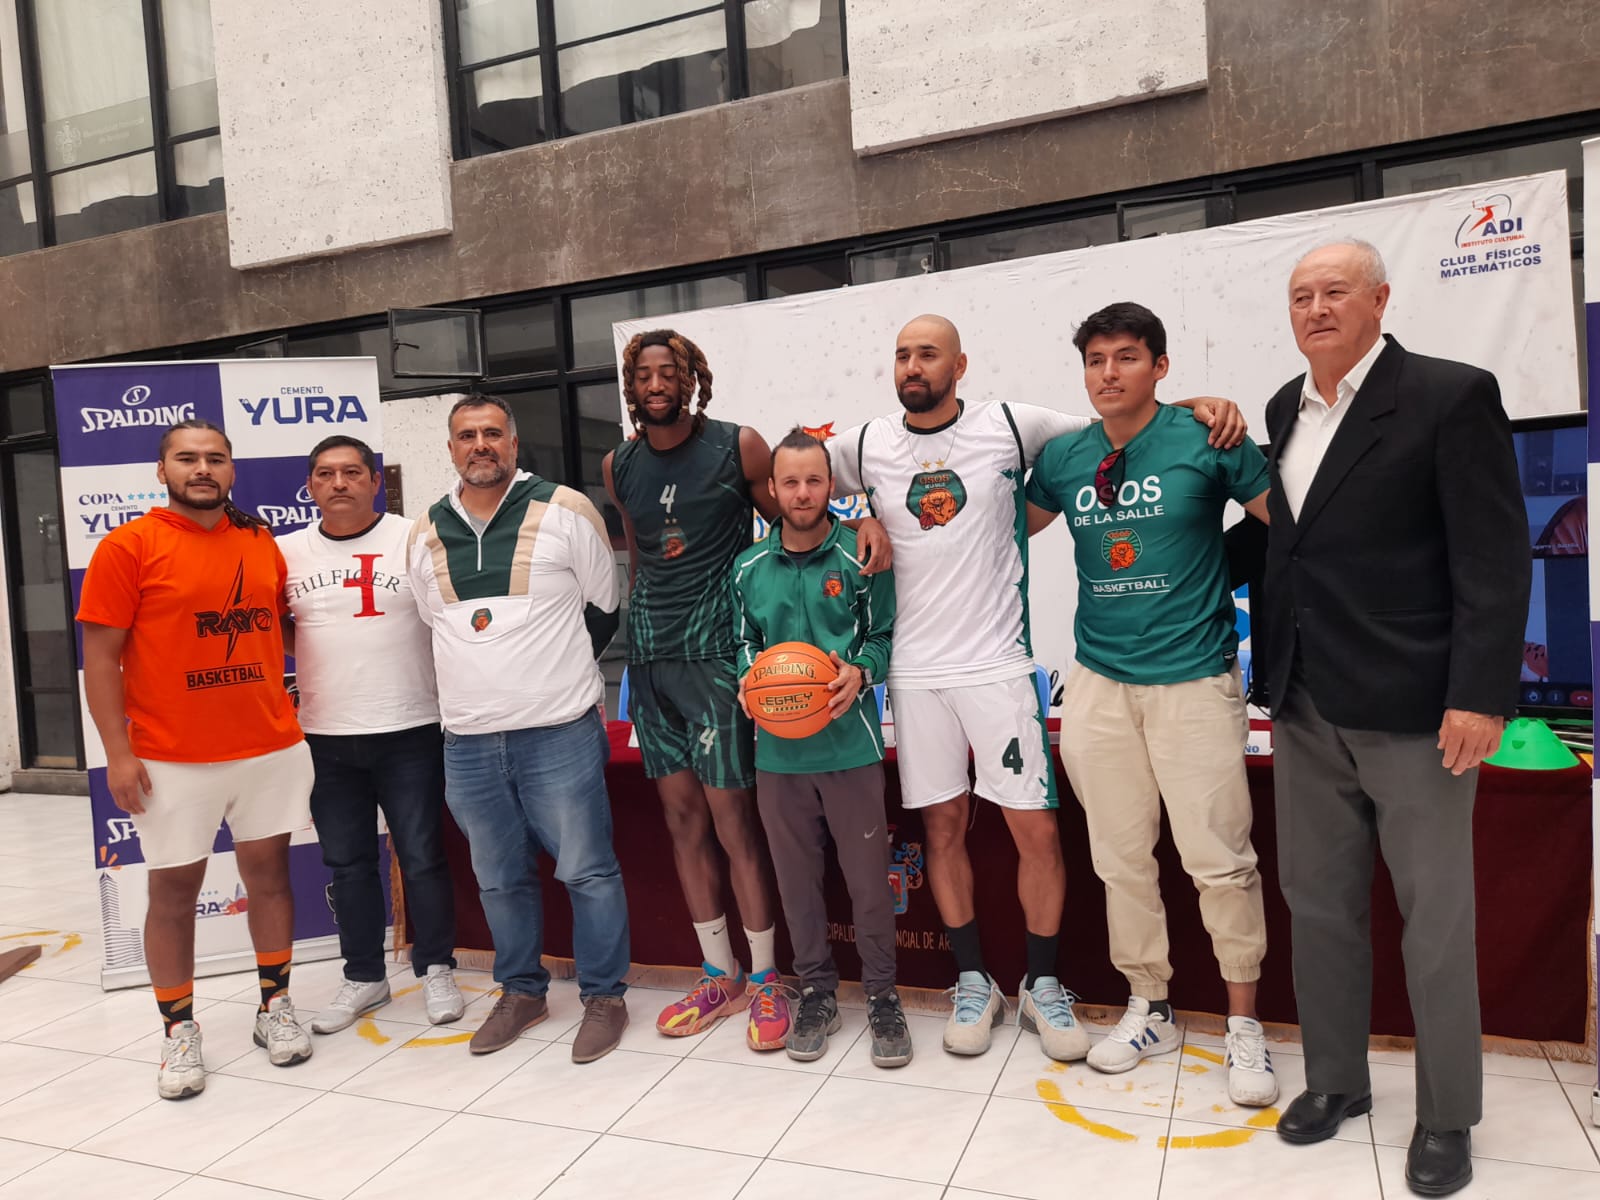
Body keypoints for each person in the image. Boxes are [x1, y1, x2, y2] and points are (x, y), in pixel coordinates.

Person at [831, 314, 1246, 1059]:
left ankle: (1042, 986)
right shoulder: (863, 446)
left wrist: (1201, 405)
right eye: (901, 354)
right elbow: (787, 480)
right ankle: (972, 981)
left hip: (998, 663)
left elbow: (1120, 420)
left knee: (1038, 832)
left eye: (928, 353)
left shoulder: (1014, 426)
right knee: (943, 829)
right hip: (916, 672)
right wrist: (856, 514)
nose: (912, 365)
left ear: (960, 364)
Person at [1261, 241, 1528, 1198]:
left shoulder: (1451, 396)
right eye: (1302, 295)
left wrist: (1482, 692)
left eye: (1336, 291)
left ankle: (1448, 1114)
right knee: (1320, 906)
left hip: (1418, 707)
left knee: (1435, 922)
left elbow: (1494, 557)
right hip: (1304, 703)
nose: (1317, 307)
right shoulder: (1285, 409)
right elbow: (1294, 543)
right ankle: (1337, 1083)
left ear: (1379, 299)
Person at [602, 328, 891, 1051]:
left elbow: (800, 512)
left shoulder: (739, 446)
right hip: (654, 658)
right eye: (644, 373)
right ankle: (719, 971)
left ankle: (768, 977)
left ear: (692, 377)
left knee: (735, 823)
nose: (656, 382)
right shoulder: (618, 465)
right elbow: (639, 557)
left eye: (670, 370)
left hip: (720, 663)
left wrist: (868, 521)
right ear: (631, 385)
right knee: (680, 821)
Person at [1024, 302, 1276, 1104]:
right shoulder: (1065, 458)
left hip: (1194, 680)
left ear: (1159, 367)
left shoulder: (1210, 436)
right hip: (1098, 682)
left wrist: (1229, 573)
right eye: (1096, 360)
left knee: (1218, 861)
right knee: (1120, 859)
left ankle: (1244, 1026)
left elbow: (1292, 525)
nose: (1109, 373)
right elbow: (989, 532)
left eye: (1127, 357)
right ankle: (1151, 1006)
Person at [78, 419, 314, 1100]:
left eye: (215, 458)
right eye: (187, 459)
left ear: (233, 471)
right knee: (173, 895)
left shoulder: (259, 541)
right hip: (172, 758)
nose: (202, 469)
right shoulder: (129, 547)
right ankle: (178, 1032)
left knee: (270, 878)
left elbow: (285, 630)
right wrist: (117, 754)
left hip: (269, 746)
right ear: (163, 472)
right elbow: (99, 662)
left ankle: (275, 1007)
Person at [407, 394, 630, 1063]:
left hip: (557, 734)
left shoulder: (565, 510)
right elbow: (432, 624)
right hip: (468, 744)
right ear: (450, 449)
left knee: (587, 872)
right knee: (500, 879)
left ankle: (604, 997)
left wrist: (546, 679)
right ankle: (522, 990)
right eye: (467, 435)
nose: (481, 445)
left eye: (493, 434)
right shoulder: (424, 533)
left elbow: (605, 606)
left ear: (513, 441)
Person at [730, 428, 908, 1066]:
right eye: (790, 482)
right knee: (797, 883)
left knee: (867, 884)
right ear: (771, 489)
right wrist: (751, 681)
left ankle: (884, 998)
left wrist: (860, 670)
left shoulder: (861, 553)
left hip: (850, 749)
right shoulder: (747, 567)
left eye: (813, 480)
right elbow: (742, 643)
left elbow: (884, 636)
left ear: (831, 486)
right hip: (777, 757)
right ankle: (816, 991)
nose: (802, 493)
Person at [277, 435, 462, 1034]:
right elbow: (281, 631)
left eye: (352, 472)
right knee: (347, 864)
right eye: (326, 474)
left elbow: (447, 620)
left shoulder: (414, 538)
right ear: (309, 485)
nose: (339, 484)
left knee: (423, 857)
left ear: (375, 481)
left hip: (410, 727)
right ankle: (364, 976)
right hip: (325, 737)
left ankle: (436, 968)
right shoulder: (285, 553)